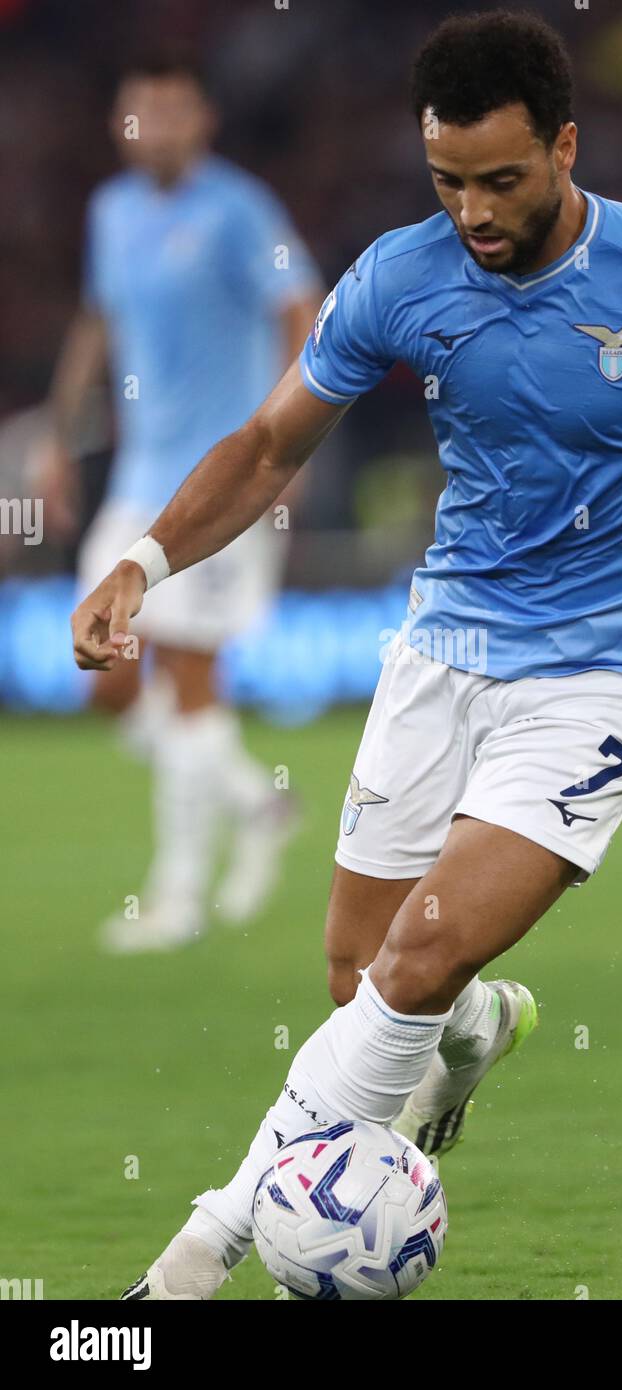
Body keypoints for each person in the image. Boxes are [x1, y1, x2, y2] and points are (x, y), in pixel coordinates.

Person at [71, 11, 622, 1298]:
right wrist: (141, 560)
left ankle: (199, 1252)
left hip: (612, 668)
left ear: (565, 148)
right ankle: (477, 1030)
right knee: (364, 979)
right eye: (447, 182)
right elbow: (266, 448)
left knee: (409, 963)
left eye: (501, 180)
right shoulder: (399, 279)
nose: (471, 210)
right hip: (445, 645)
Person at [47, 54, 323, 951]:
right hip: (136, 483)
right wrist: (59, 431)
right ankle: (256, 802)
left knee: (188, 674)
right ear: (120, 124)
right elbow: (99, 319)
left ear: (201, 120)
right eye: (139, 113)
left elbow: (301, 306)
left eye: (171, 112)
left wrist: (297, 431)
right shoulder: (111, 213)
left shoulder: (240, 210)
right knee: (105, 670)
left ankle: (175, 899)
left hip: (223, 484)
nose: (153, 128)